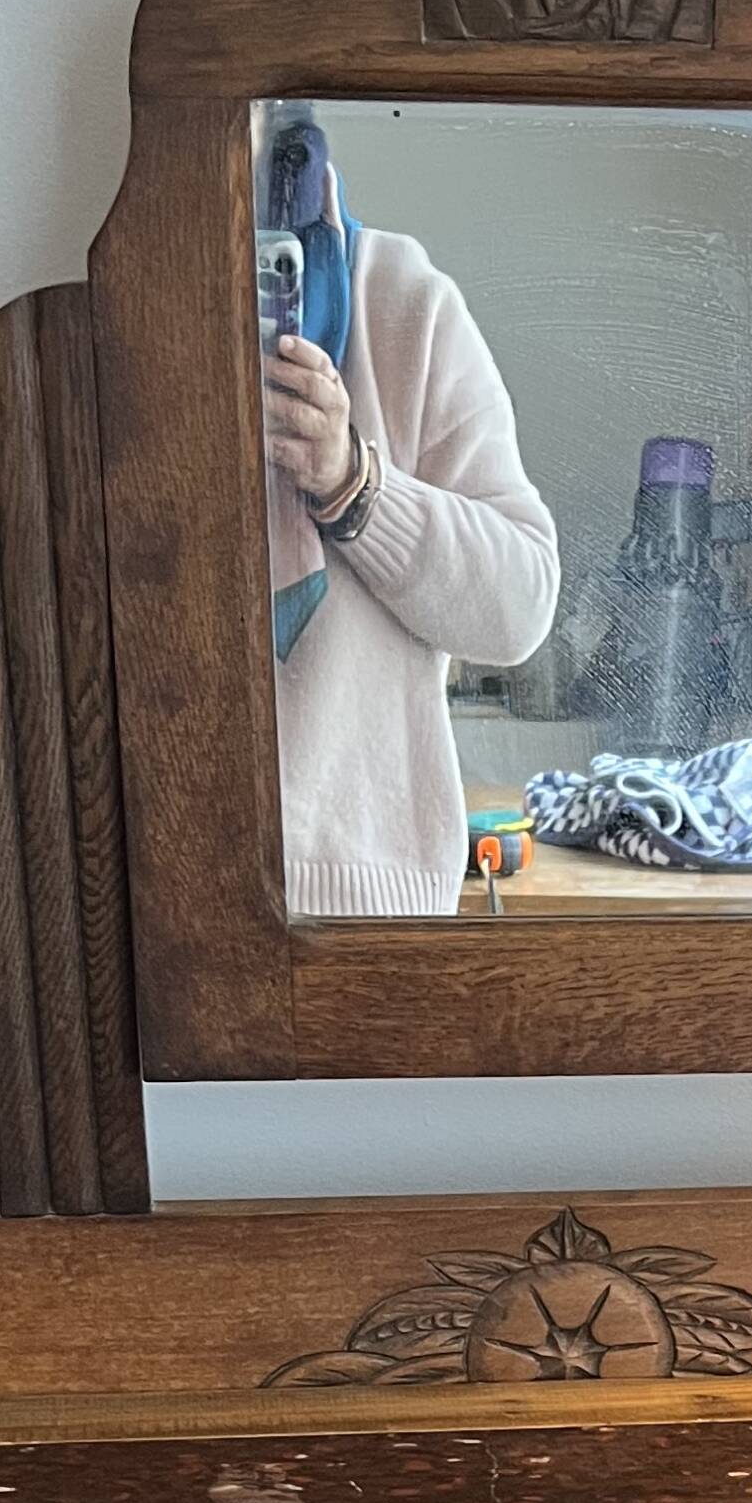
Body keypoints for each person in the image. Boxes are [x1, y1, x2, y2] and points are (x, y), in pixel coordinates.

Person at [255, 109, 561, 920]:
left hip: (371, 899)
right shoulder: (140, 303)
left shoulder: (401, 301)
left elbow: (521, 603)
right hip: (162, 883)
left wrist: (353, 482)